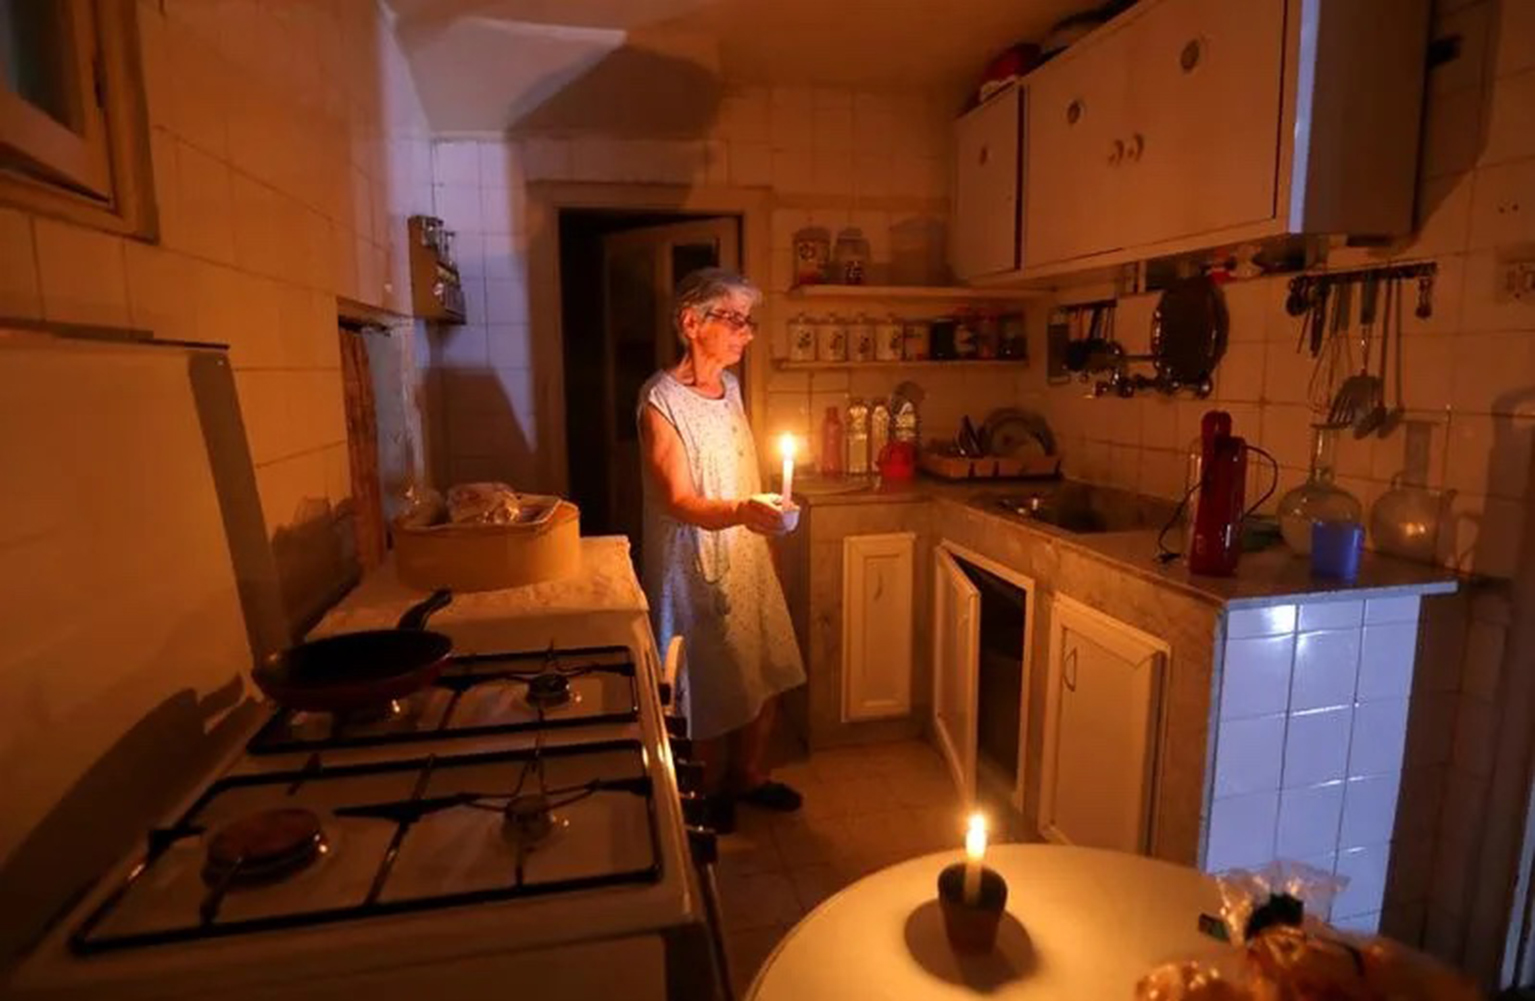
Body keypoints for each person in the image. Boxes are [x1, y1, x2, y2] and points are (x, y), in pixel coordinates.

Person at [637, 267, 806, 828]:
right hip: (691, 563)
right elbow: (679, 499)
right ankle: (701, 793)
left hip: (745, 554)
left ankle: (748, 775)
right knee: (703, 678)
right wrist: (741, 513)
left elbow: (740, 468)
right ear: (692, 322)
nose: (747, 333)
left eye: (747, 320)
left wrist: (768, 534)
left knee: (762, 664)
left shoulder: (729, 387)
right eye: (734, 319)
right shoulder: (660, 400)